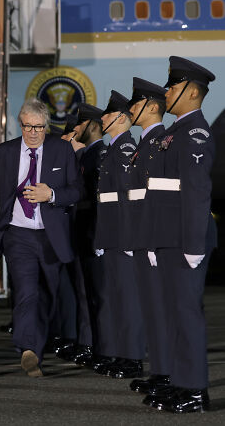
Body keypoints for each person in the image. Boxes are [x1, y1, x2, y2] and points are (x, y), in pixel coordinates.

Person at [0, 98, 82, 377]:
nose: (33, 132)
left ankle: (37, 342)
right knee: (27, 291)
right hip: (18, 235)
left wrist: (51, 195)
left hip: (51, 236)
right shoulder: (3, 153)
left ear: (46, 125)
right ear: (20, 124)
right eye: (28, 126)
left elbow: (77, 190)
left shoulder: (62, 150)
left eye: (39, 127)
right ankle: (29, 350)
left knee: (47, 293)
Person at [141, 57, 216, 413]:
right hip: (168, 237)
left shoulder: (195, 132)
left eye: (173, 86)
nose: (167, 91)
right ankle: (179, 381)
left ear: (191, 91)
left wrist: (194, 244)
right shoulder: (174, 133)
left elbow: (197, 192)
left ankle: (196, 391)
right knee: (174, 314)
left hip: (186, 240)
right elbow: (160, 191)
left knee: (187, 315)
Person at [120, 78, 169, 396]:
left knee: (161, 309)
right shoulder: (145, 144)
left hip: (153, 238)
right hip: (140, 236)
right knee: (151, 308)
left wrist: (152, 240)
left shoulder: (160, 142)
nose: (131, 109)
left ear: (152, 107)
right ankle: (161, 370)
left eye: (136, 104)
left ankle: (167, 373)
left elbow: (163, 198)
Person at [93, 90, 145, 379]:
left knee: (128, 299)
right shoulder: (115, 148)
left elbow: (128, 200)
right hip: (111, 236)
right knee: (116, 297)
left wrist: (126, 239)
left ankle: (133, 357)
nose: (102, 118)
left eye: (108, 114)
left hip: (122, 237)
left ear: (122, 118)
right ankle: (123, 354)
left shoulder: (125, 148)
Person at [55, 103, 106, 366]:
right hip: (80, 230)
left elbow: (97, 200)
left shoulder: (97, 155)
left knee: (93, 294)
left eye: (79, 125)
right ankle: (86, 341)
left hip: (93, 231)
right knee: (82, 291)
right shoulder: (85, 156)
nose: (74, 131)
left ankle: (91, 343)